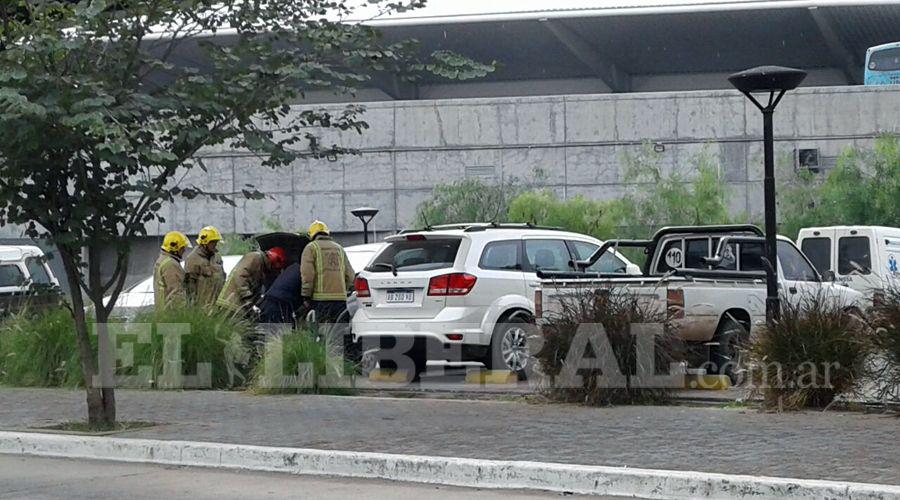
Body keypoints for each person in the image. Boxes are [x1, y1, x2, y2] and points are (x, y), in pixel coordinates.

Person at [300, 220, 354, 324]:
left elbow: (307, 275)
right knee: (339, 332)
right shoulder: (339, 248)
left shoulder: (311, 248)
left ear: (311, 234)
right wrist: (343, 289)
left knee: (323, 332)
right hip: (341, 300)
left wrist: (306, 296)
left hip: (320, 300)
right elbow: (350, 275)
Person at [216, 247, 287, 319]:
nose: (274, 271)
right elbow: (240, 276)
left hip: (240, 308)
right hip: (231, 305)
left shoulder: (262, 268)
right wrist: (247, 297)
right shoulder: (255, 257)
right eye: (275, 268)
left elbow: (255, 288)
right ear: (274, 260)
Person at [184, 226, 226, 307]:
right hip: (202, 310)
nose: (216, 244)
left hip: (218, 307)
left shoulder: (217, 257)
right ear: (205, 242)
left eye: (216, 242)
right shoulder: (192, 260)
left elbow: (223, 278)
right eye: (213, 242)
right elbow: (189, 288)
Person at [153, 231, 190, 312]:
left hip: (162, 314)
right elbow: (176, 293)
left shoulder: (162, 260)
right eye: (182, 248)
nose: (184, 250)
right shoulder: (171, 265)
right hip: (171, 315)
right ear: (175, 248)